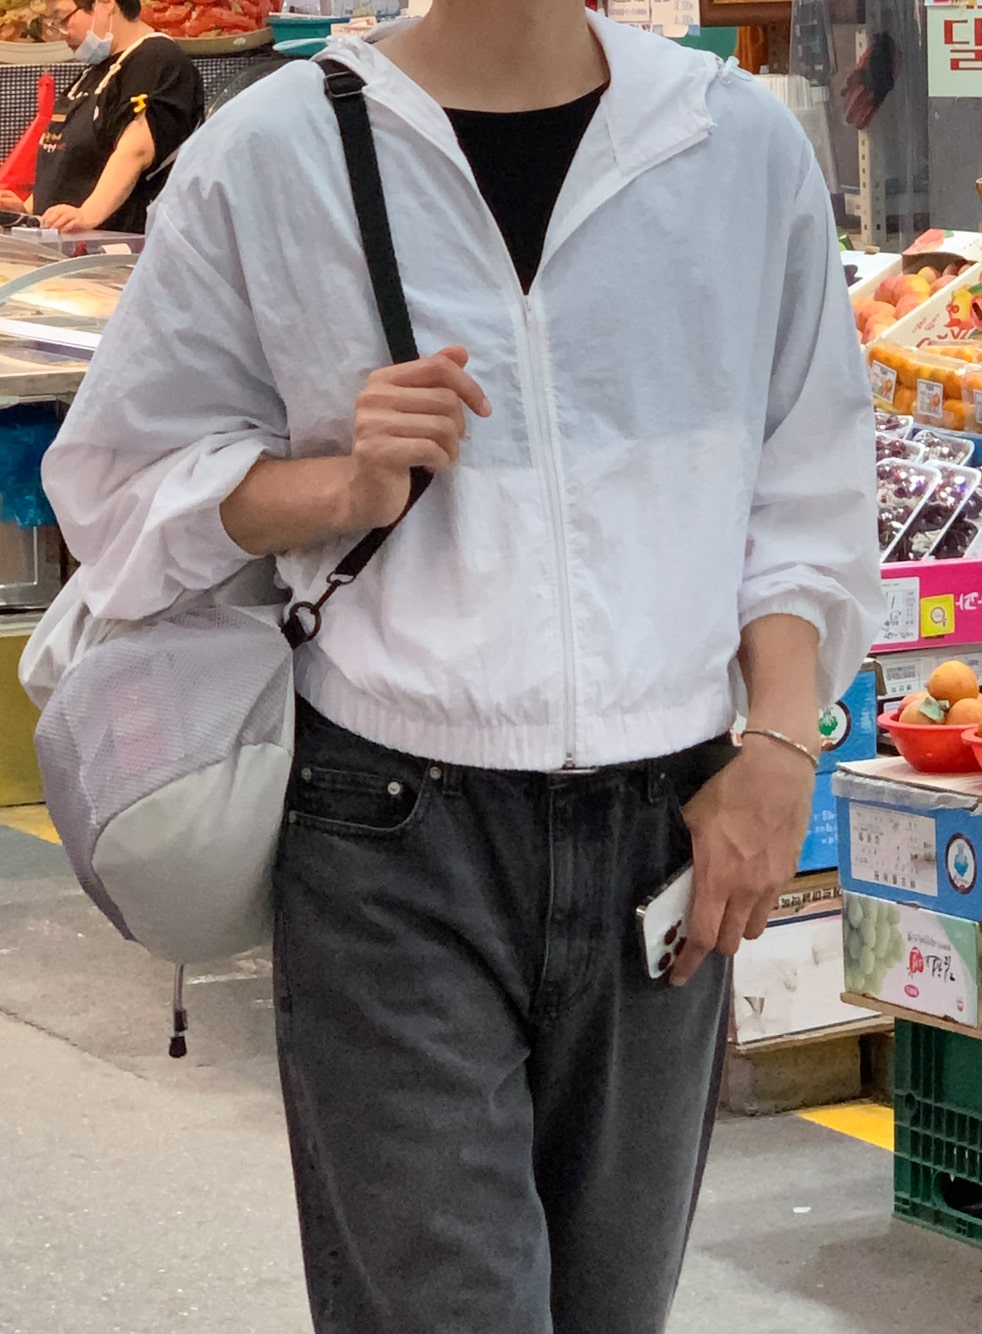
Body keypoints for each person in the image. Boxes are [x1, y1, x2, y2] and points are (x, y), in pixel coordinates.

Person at [40, 3, 882, 1330]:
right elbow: (116, 483)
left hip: (668, 826)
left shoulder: (732, 144)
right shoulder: (274, 153)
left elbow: (807, 481)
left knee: (610, 1309)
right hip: (388, 830)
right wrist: (335, 484)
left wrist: (780, 741)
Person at [0, 0, 203, 234]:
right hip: (62, 244)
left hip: (122, 244)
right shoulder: (94, 71)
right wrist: (26, 210)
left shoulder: (158, 60)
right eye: (53, 23)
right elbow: (68, 161)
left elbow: (136, 151)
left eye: (64, 19)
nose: (62, 33)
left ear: (106, 3)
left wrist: (88, 214)